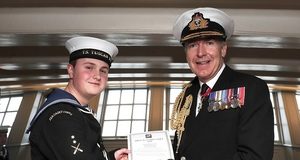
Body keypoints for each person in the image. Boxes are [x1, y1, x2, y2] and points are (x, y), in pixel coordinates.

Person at [170, 7, 274, 160]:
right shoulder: (187, 94)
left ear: (223, 49)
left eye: (209, 43)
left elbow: (255, 156)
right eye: (192, 45)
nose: (200, 53)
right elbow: (182, 150)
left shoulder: (251, 88)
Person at [26, 36, 129, 160]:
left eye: (103, 70)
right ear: (71, 70)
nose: (97, 76)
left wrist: (111, 157)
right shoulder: (61, 115)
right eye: (89, 67)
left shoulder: (74, 110)